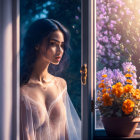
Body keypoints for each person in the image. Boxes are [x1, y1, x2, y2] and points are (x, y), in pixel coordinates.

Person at [20, 19, 81, 140]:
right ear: (36, 44)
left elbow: (66, 132)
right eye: (53, 43)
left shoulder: (60, 85)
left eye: (62, 45)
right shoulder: (21, 89)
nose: (60, 51)